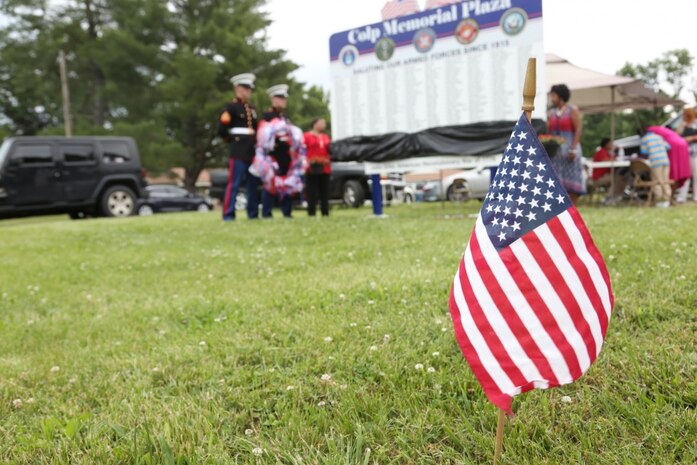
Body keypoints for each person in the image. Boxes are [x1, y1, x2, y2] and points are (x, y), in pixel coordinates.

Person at [217, 73, 260, 221]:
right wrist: (232, 141)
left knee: (252, 184)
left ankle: (253, 213)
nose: (247, 91)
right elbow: (222, 129)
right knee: (234, 184)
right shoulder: (231, 107)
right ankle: (228, 214)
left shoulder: (252, 108)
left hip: (251, 151)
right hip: (238, 150)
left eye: (249, 89)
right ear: (237, 88)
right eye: (245, 88)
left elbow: (256, 128)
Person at [547, 84, 585, 204]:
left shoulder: (572, 110)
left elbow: (578, 129)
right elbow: (549, 131)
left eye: (553, 95)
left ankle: (572, 205)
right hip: (556, 153)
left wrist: (573, 149)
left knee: (572, 177)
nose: (551, 98)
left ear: (560, 96)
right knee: (557, 179)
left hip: (570, 148)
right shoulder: (551, 113)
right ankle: (560, 206)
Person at [261, 84, 294, 218]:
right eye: (280, 98)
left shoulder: (284, 118)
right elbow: (264, 136)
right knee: (270, 184)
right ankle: (267, 212)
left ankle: (287, 212)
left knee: (286, 182)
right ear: (273, 99)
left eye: (284, 98)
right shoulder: (267, 116)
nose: (283, 101)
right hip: (273, 155)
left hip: (285, 155)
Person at [303, 118, 331, 216]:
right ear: (315, 124)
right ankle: (311, 212)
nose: (324, 125)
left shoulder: (325, 137)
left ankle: (325, 212)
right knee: (312, 191)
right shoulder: (306, 136)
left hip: (324, 166)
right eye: (321, 123)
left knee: (325, 191)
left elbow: (329, 150)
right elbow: (302, 150)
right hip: (312, 167)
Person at [638, 125, 671, 208]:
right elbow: (668, 147)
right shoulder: (659, 137)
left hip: (656, 162)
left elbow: (644, 153)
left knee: (657, 181)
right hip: (665, 160)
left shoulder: (644, 139)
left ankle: (660, 201)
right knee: (665, 180)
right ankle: (668, 199)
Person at [592, 138, 627, 203]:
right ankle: (610, 198)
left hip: (605, 175)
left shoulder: (608, 153)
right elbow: (606, 161)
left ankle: (615, 197)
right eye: (611, 143)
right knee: (618, 179)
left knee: (621, 178)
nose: (613, 145)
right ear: (606, 145)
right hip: (599, 177)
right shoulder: (601, 152)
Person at [676, 107, 697, 202]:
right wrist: (682, 125)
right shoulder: (683, 124)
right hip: (684, 153)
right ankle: (682, 196)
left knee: (696, 174)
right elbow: (676, 135)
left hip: (695, 152)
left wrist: (691, 138)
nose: (683, 116)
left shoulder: (696, 123)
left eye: (685, 114)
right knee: (685, 174)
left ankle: (696, 196)